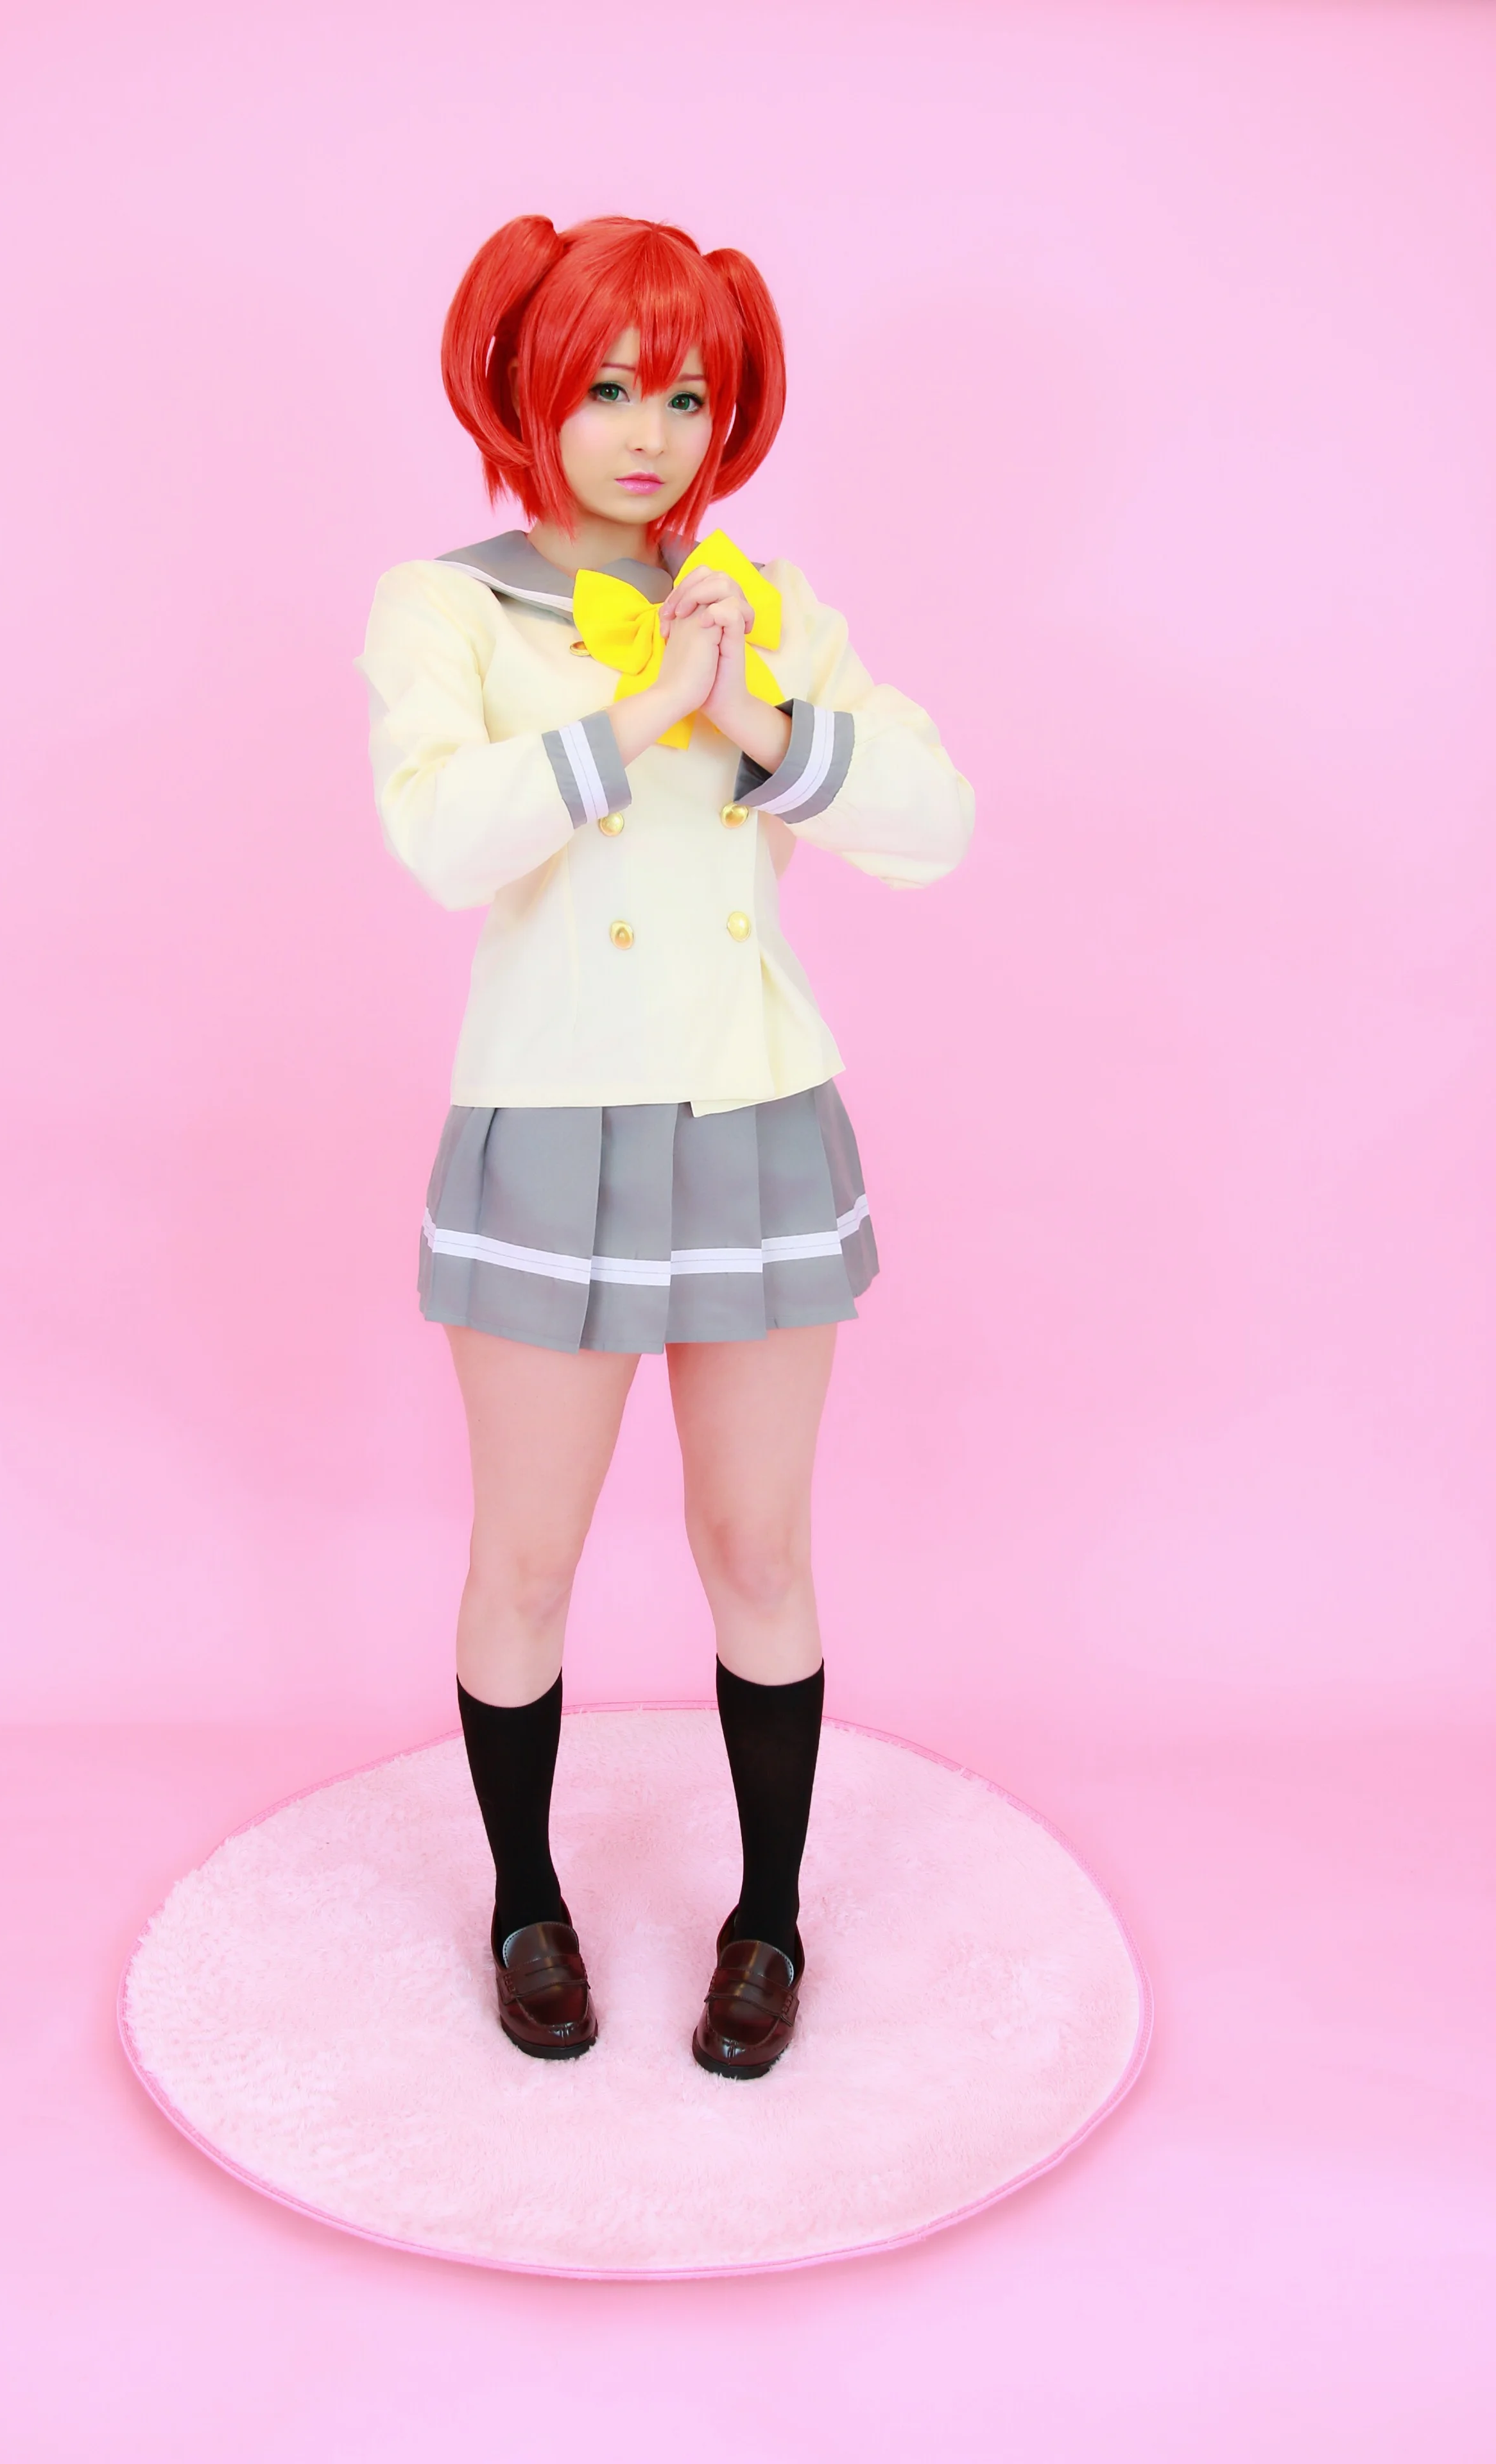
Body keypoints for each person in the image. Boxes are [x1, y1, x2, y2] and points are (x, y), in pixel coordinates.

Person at [356, 214, 973, 2079]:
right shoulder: (445, 608)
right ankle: (523, 1902)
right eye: (611, 386)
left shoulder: (764, 605)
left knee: (756, 1543)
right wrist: (641, 714)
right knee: (525, 1560)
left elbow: (933, 820)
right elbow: (441, 839)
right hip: (551, 1123)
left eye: (687, 395)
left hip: (753, 1119)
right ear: (527, 389)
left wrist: (755, 708)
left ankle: (768, 1920)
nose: (649, 431)